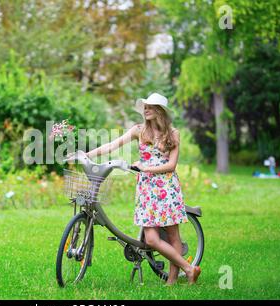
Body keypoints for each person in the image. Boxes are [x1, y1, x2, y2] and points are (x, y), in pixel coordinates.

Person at [86, 93, 201, 285]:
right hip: (147, 190)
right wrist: (87, 154)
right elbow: (112, 145)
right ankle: (189, 269)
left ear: (160, 111)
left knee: (173, 235)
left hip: (167, 188)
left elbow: (171, 165)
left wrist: (146, 167)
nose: (145, 110)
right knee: (152, 239)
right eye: (145, 106)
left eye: (150, 106)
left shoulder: (173, 134)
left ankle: (171, 281)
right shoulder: (138, 131)